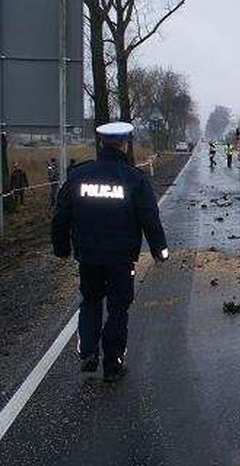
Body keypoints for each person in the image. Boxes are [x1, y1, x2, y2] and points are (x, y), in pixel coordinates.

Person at [52, 122, 169, 383]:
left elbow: (62, 214)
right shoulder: (134, 178)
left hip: (89, 255)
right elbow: (149, 217)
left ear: (101, 143)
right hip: (121, 257)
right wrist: (160, 251)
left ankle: (89, 353)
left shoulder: (79, 175)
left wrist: (61, 248)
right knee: (118, 308)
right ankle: (113, 364)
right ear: (125, 144)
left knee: (91, 301)